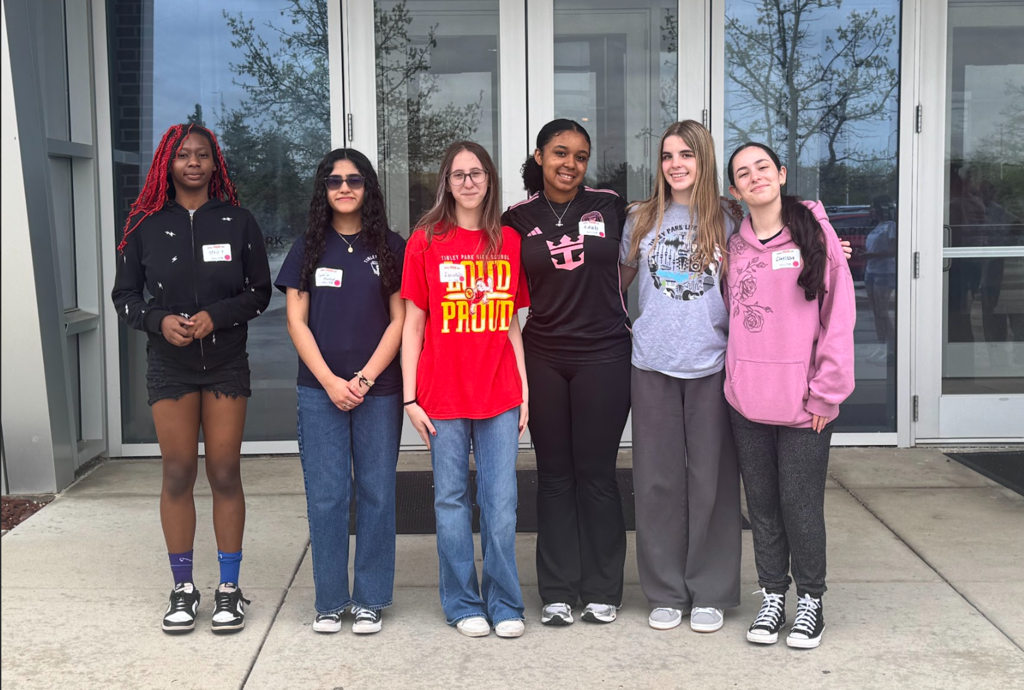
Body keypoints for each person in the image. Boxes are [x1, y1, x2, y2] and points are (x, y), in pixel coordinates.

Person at [111, 123, 271, 634]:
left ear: (214, 163)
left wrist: (216, 316)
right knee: (178, 472)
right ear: (168, 164)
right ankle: (183, 588)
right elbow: (125, 296)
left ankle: (229, 589)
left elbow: (260, 292)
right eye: (183, 155)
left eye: (202, 155)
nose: (194, 162)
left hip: (224, 362)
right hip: (171, 365)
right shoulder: (145, 225)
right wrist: (158, 321)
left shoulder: (239, 221)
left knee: (224, 471)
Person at [724, 142, 856, 649]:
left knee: (800, 506)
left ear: (780, 174)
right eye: (743, 173)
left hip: (805, 405)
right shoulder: (734, 247)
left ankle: (811, 602)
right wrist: (733, 383)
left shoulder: (815, 237)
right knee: (761, 507)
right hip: (746, 402)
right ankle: (773, 595)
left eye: (763, 167)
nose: (755, 177)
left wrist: (827, 394)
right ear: (735, 191)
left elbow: (838, 321)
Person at [501, 119, 631, 626]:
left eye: (580, 155)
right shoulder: (515, 218)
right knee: (554, 476)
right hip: (544, 357)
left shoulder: (611, 204)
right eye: (559, 153)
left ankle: (603, 589)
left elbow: (673, 227)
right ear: (539, 157)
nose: (569, 164)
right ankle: (556, 590)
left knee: (597, 475)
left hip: (605, 354)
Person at [401, 141, 530, 638]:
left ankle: (505, 604)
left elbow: (511, 324)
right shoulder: (426, 240)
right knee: (451, 502)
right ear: (446, 183)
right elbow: (414, 325)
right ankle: (462, 602)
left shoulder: (509, 243)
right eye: (458, 174)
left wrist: (525, 391)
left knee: (501, 503)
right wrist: (411, 398)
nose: (468, 182)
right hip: (443, 395)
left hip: (499, 393)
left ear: (490, 180)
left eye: (477, 173)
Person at [275, 149, 405, 635]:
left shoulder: (391, 245)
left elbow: (401, 320)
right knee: (327, 496)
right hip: (319, 390)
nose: (344, 188)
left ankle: (370, 599)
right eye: (334, 181)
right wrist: (331, 382)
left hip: (380, 390)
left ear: (368, 187)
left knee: (377, 493)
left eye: (353, 180)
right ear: (323, 190)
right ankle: (330, 600)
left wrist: (365, 379)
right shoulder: (307, 246)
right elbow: (295, 321)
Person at [618, 120, 741, 633]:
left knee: (711, 481)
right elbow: (614, 281)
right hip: (651, 362)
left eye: (686, 154)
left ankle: (709, 589)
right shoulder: (642, 218)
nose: (675, 164)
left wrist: (830, 250)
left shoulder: (730, 218)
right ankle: (666, 589)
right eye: (667, 156)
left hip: (712, 364)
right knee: (656, 482)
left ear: (704, 159)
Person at [862, 195, 897, 366]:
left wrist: (872, 255)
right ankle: (881, 344)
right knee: (876, 312)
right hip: (871, 271)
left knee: (883, 311)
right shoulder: (877, 226)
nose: (871, 211)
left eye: (874, 207)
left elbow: (894, 250)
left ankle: (892, 348)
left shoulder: (891, 226)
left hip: (885, 272)